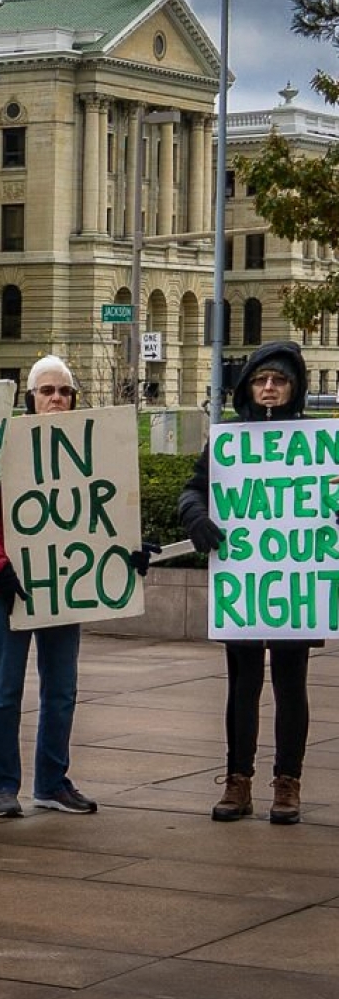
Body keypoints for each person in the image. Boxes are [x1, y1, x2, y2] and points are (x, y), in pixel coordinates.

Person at [178, 341, 315, 825]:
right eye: (261, 381)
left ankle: (288, 783)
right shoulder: (229, 442)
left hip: (294, 586)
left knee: (291, 684)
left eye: (279, 380)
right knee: (242, 684)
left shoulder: (314, 441)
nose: (270, 388)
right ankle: (238, 781)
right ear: (248, 389)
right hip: (243, 582)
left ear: (293, 388)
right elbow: (194, 489)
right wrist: (195, 515)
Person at [0, 356, 101, 818]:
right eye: (46, 390)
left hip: (62, 586)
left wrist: (123, 550)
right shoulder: (5, 446)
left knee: (61, 691)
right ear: (30, 399)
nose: (56, 398)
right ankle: (2, 785)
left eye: (64, 391)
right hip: (8, 588)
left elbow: (101, 516)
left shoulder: (92, 449)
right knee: (3, 691)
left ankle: (52, 782)